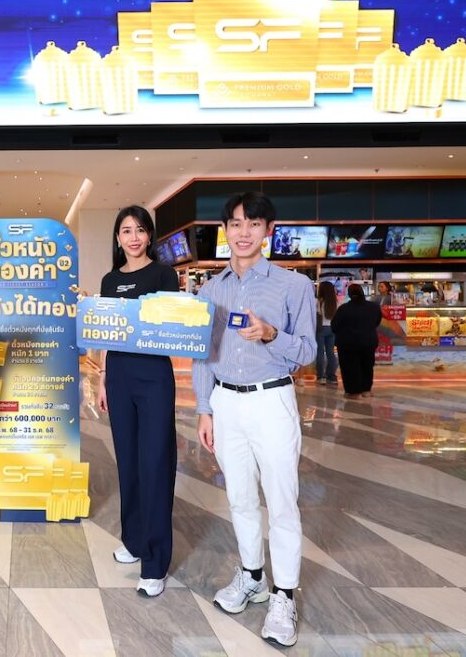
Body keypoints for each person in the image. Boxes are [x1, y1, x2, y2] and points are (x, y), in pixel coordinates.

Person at [193, 192, 316, 648]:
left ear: (268, 231)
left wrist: (270, 334)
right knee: (240, 497)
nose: (244, 233)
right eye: (236, 224)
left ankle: (284, 596)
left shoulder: (292, 286)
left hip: (272, 400)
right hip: (225, 402)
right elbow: (202, 355)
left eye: (254, 224)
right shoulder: (211, 290)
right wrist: (204, 409)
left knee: (282, 500)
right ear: (225, 230)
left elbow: (307, 351)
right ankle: (252, 576)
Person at [97, 205, 179, 599]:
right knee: (128, 461)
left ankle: (155, 561)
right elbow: (107, 332)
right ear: (117, 237)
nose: (133, 237)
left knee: (155, 463)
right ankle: (133, 540)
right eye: (126, 231)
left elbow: (172, 325)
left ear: (149, 236)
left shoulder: (164, 275)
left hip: (154, 377)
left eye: (140, 230)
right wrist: (102, 378)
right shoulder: (110, 280)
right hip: (119, 377)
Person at [330, 283, 382, 399]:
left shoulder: (344, 309)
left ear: (349, 294)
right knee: (367, 366)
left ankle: (354, 392)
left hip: (348, 343)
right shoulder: (373, 307)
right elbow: (377, 321)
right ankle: (366, 390)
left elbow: (334, 326)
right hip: (369, 341)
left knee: (350, 367)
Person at [315, 281, 339, 386]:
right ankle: (331, 377)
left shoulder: (318, 302)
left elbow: (316, 315)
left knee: (320, 353)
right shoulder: (336, 302)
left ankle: (321, 377)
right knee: (331, 353)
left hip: (321, 329)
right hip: (332, 329)